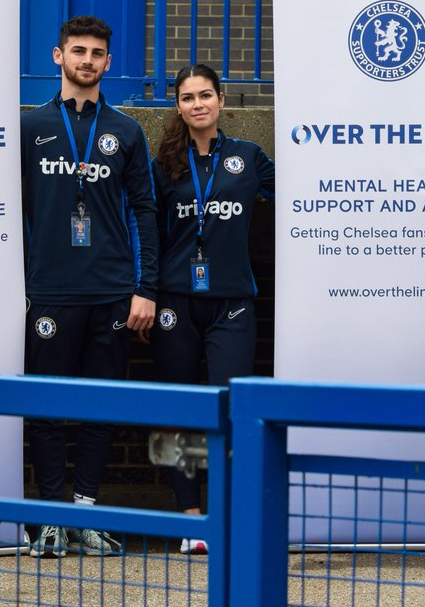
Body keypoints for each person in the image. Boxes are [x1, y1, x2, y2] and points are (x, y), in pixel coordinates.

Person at [20, 15, 158, 558]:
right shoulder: (30, 127)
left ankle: (85, 512)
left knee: (102, 405)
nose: (88, 60)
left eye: (97, 53)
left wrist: (144, 289)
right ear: (58, 57)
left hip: (112, 293)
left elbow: (145, 210)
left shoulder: (126, 131)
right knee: (48, 407)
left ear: (107, 62)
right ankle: (52, 517)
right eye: (78, 50)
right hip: (50, 291)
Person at [151, 63, 275, 555]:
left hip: (232, 304)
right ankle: (190, 519)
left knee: (229, 408)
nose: (198, 104)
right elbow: (145, 230)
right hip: (174, 303)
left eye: (206, 95)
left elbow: (300, 198)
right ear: (177, 106)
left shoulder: (249, 156)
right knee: (179, 409)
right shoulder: (165, 164)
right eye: (188, 97)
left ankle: (225, 512)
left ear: (222, 100)